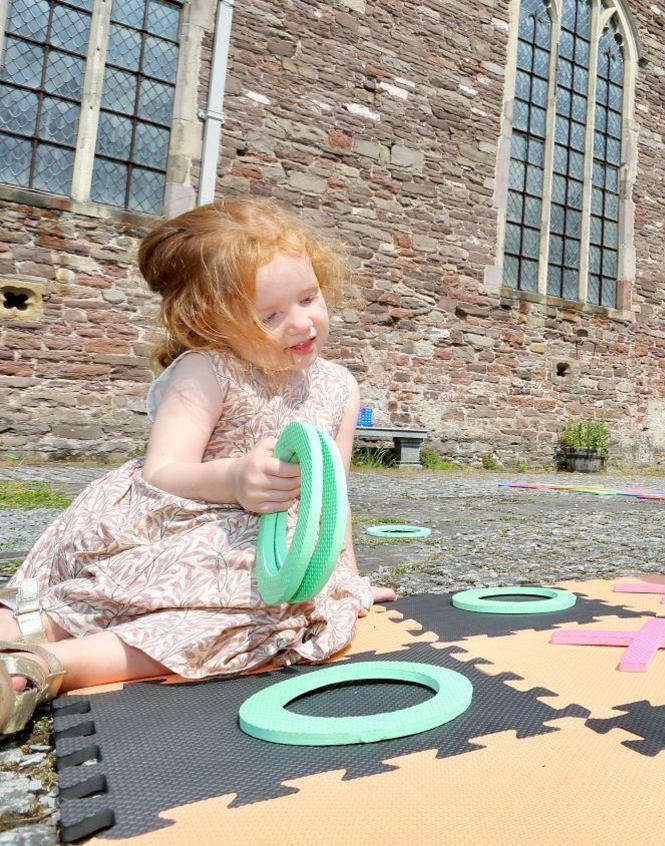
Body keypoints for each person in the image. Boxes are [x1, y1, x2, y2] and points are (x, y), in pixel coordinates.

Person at [1, 198, 395, 736]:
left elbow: (334, 494)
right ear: (212, 321)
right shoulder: (208, 369)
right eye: (270, 316)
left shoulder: (339, 387)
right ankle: (22, 627)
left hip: (266, 548)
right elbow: (162, 470)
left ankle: (43, 670)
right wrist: (233, 477)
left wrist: (345, 577)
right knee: (99, 597)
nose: (302, 323)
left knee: (262, 620)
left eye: (309, 297)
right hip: (178, 523)